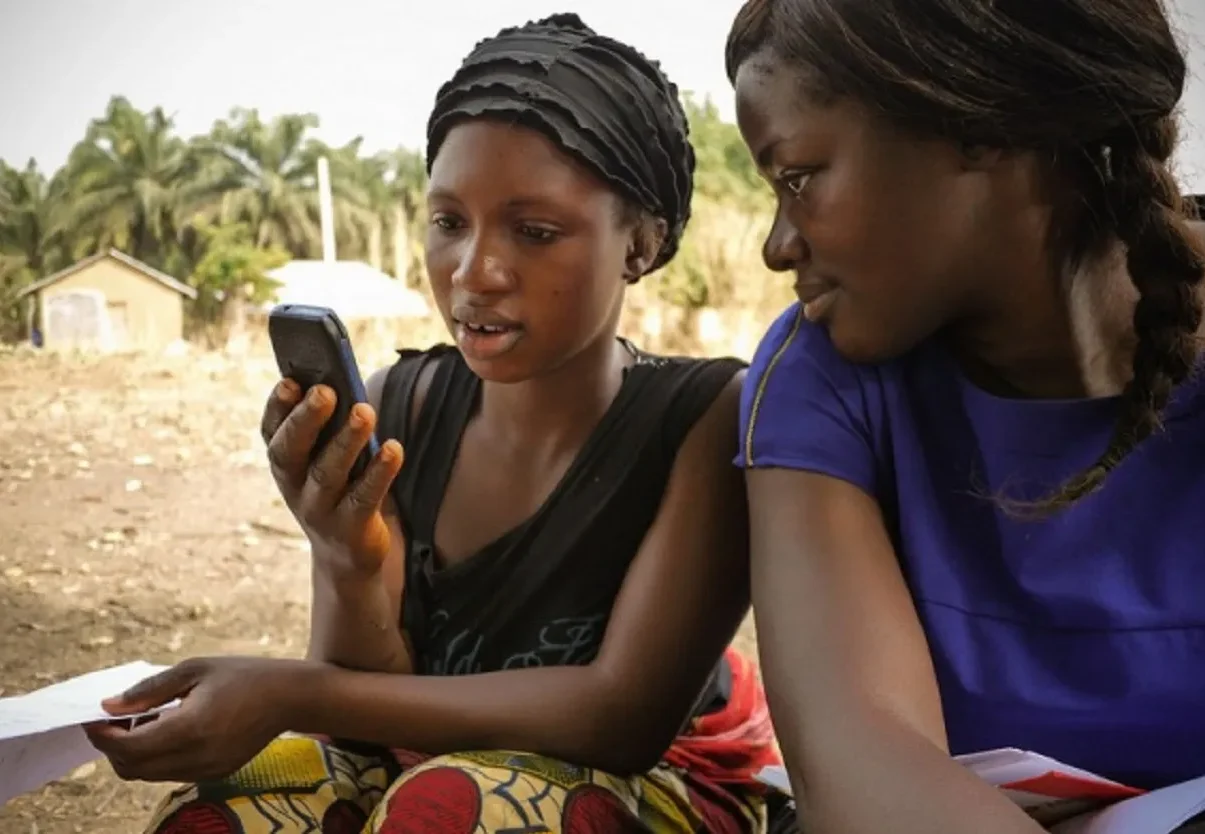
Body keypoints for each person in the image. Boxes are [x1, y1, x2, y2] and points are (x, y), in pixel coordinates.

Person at [85, 14, 783, 834]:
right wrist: (347, 557)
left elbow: (620, 720)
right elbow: (361, 713)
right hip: (430, 766)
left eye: (534, 232)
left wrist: (287, 693)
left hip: (666, 780)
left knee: (447, 809)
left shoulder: (705, 417)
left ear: (641, 243)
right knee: (224, 811)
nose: (473, 272)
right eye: (449, 222)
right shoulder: (403, 405)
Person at [724, 0, 1205, 832]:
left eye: (797, 178)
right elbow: (862, 770)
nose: (777, 246)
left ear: (978, 125)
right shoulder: (818, 380)